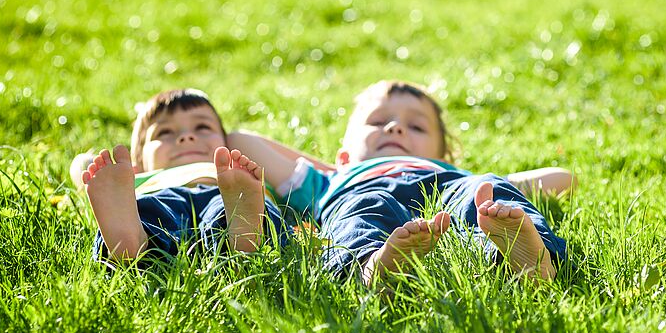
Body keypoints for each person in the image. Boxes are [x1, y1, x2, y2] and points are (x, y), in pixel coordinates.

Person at [228, 80, 571, 284]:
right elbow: (240, 138)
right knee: (362, 211)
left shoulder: (459, 177)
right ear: (343, 153)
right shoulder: (329, 180)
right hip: (361, 192)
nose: (395, 128)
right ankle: (372, 267)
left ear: (441, 154)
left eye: (417, 127)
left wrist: (498, 188)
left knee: (487, 193)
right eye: (378, 122)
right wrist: (339, 169)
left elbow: (562, 178)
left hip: (444, 188)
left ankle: (526, 258)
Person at [77, 88, 286, 262]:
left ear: (226, 143)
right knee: (146, 211)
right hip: (160, 195)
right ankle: (131, 240)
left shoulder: (241, 176)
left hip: (225, 194)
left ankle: (244, 230)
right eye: (165, 132)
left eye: (202, 127)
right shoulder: (135, 181)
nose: (186, 136)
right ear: (138, 165)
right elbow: (83, 168)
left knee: (244, 208)